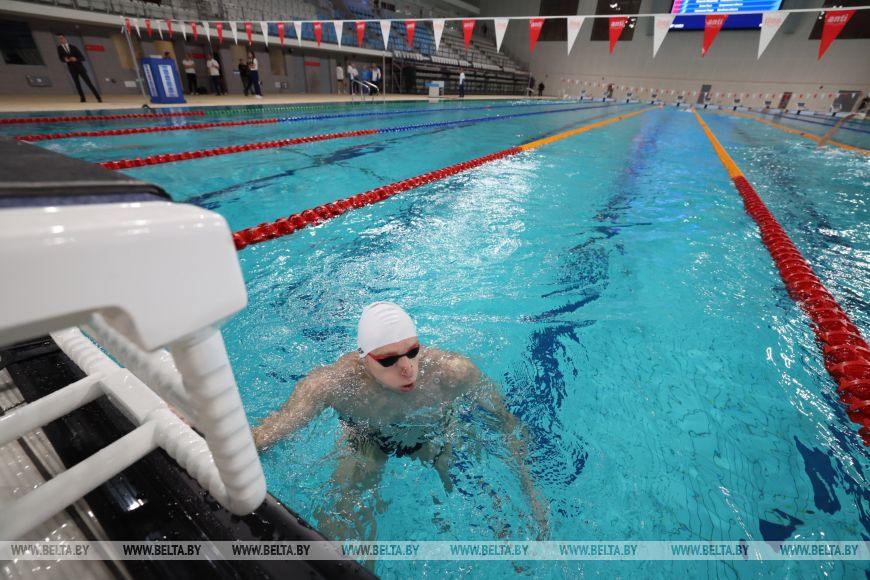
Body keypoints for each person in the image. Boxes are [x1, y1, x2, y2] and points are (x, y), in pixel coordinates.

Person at [252, 302, 548, 543]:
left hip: (434, 435)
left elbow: (506, 424)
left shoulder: (452, 373)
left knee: (488, 502)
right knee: (344, 522)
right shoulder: (332, 385)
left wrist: (531, 493)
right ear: (364, 357)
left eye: (413, 352)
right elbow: (272, 432)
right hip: (366, 441)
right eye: (388, 360)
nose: (407, 369)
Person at [56, 34, 101, 103]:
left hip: (80, 68)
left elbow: (82, 58)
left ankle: (98, 98)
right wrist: (65, 60)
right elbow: (61, 58)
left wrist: (75, 59)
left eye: (62, 38)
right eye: (60, 39)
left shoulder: (73, 47)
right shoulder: (59, 48)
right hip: (72, 69)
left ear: (65, 38)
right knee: (77, 84)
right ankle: (82, 99)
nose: (61, 40)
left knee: (89, 83)